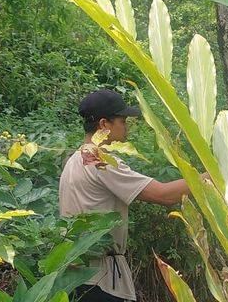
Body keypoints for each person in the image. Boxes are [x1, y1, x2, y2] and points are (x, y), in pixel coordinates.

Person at [60, 89, 198, 302]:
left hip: (77, 278)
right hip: (100, 282)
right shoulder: (99, 161)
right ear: (104, 125)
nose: (127, 127)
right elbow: (164, 195)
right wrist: (211, 178)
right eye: (122, 121)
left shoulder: (75, 159)